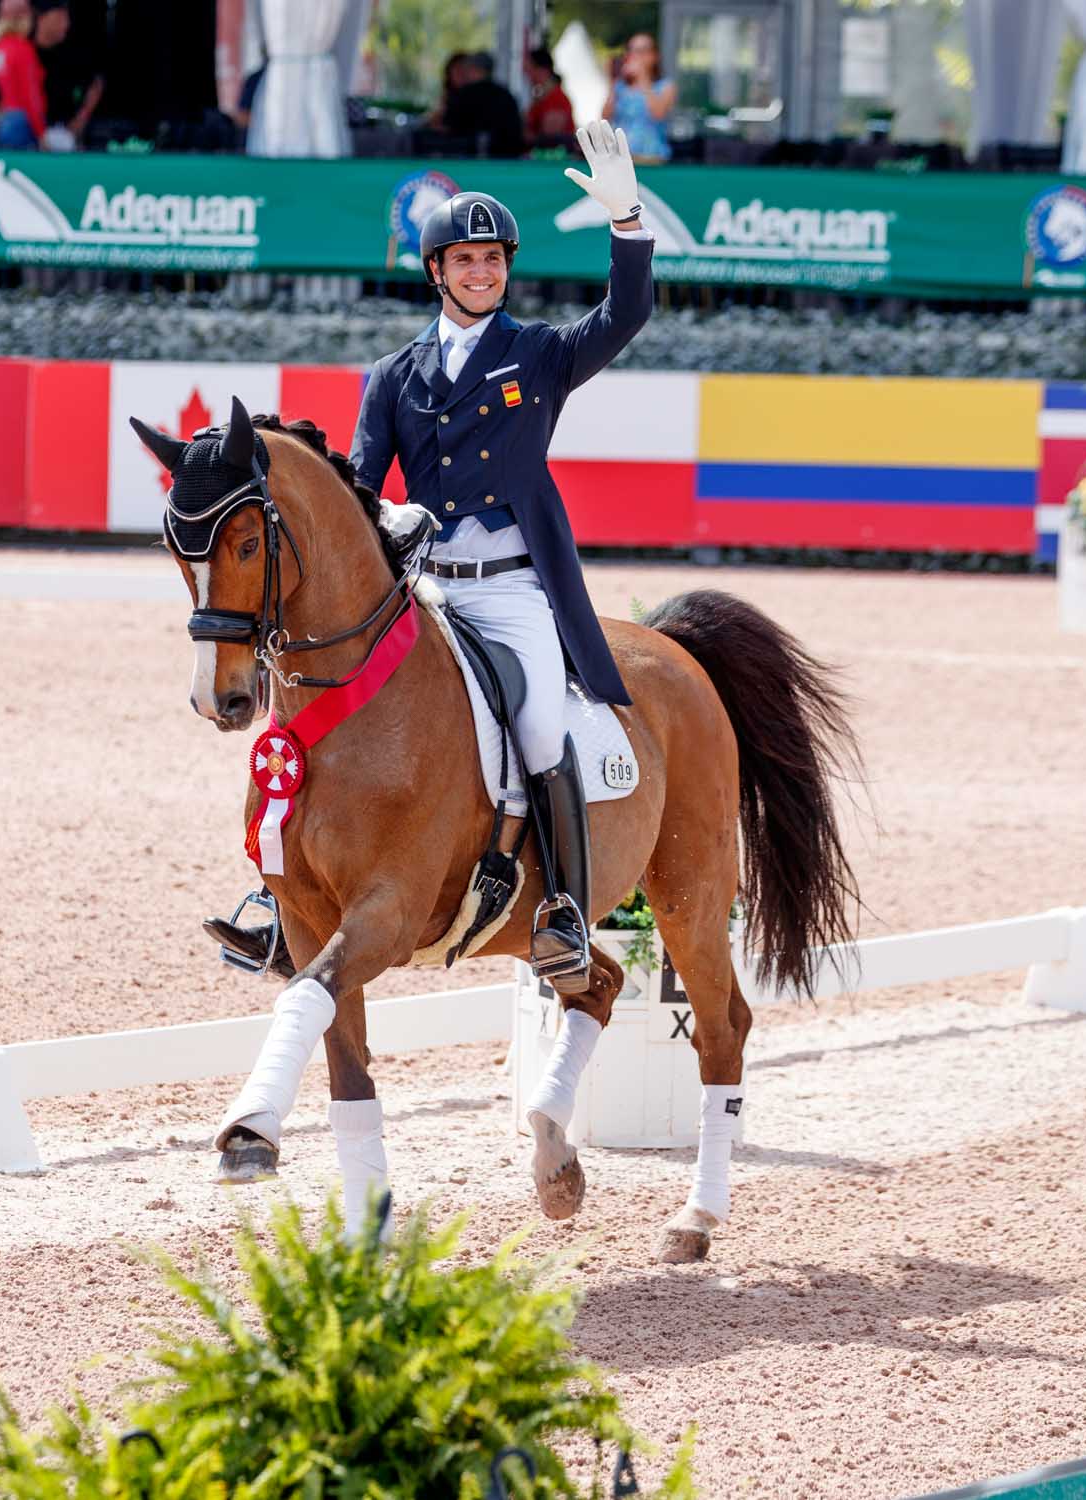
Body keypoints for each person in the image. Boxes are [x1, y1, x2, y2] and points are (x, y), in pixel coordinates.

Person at [350, 122, 651, 986]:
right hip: (430, 591)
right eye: (465, 261)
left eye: (493, 261)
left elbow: (626, 314)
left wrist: (626, 220)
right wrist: (388, 517)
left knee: (539, 728)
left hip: (514, 592)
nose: (482, 274)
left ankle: (560, 904)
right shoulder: (394, 375)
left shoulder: (543, 355)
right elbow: (363, 487)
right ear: (435, 272)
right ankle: (291, 886)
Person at [35, 0, 106, 149]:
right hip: (29, 135)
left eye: (67, 19)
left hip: (64, 133)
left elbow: (96, 84)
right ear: (42, 18)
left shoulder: (74, 54)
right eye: (60, 18)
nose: (66, 24)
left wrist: (80, 121)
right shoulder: (25, 51)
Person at [0, 0, 46, 150]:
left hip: (5, 119)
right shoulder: (23, 49)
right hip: (23, 122)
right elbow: (31, 95)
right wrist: (41, 133)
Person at [604, 31, 675, 162]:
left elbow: (658, 114)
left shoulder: (665, 86)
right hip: (619, 157)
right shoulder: (620, 86)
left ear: (654, 55)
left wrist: (643, 77)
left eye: (643, 50)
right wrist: (612, 81)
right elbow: (605, 117)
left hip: (651, 157)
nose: (637, 55)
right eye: (632, 50)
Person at [441, 51, 525, 158]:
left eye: (467, 69)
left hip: (467, 161)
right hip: (505, 161)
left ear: (474, 69)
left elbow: (448, 127)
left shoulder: (463, 96)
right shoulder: (507, 96)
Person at [523, 48, 575, 144]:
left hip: (553, 157)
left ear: (542, 70)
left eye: (529, 69)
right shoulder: (541, 97)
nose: (526, 74)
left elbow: (550, 137)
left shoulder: (557, 98)